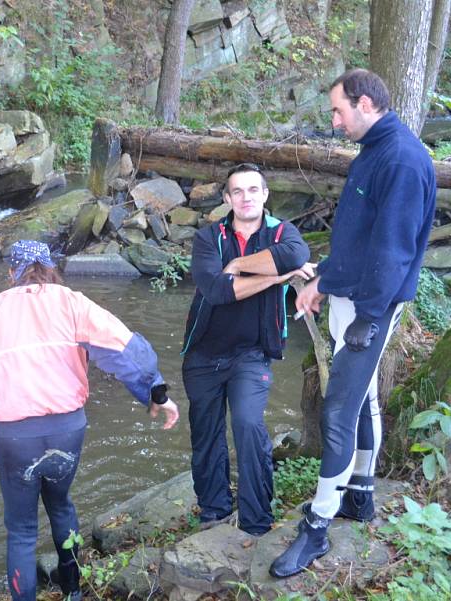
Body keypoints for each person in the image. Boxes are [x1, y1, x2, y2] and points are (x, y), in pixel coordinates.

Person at [0, 240, 180, 601]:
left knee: (23, 530)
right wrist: (155, 392)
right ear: (50, 267)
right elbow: (125, 349)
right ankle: (73, 592)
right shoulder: (71, 301)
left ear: (13, 273)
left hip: (15, 437)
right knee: (61, 505)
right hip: (68, 429)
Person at [270, 69, 436, 578]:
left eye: (338, 111)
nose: (334, 121)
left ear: (365, 103)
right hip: (350, 293)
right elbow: (359, 237)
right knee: (361, 397)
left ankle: (317, 527)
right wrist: (322, 276)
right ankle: (360, 495)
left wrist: (367, 318)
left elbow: (392, 250)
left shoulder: (404, 160)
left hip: (372, 306)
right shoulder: (375, 150)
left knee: (337, 408)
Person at [181, 164, 313, 535]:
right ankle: (214, 511)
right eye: (237, 191)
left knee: (248, 423)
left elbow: (294, 255)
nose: (246, 197)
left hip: (252, 353)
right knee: (205, 433)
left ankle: (256, 520)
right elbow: (218, 291)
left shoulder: (282, 232)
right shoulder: (209, 238)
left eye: (253, 190)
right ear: (227, 199)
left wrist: (238, 265)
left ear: (265, 195)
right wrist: (279, 277)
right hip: (203, 354)